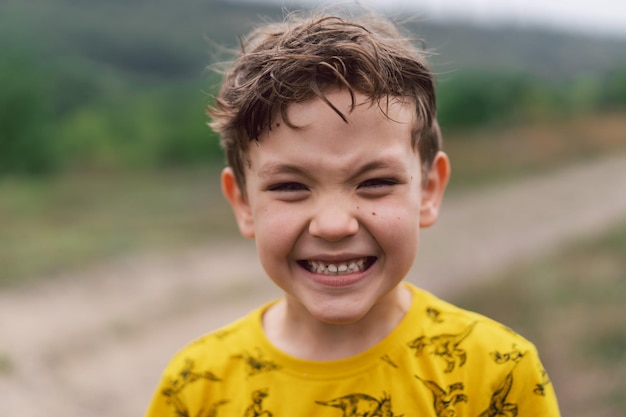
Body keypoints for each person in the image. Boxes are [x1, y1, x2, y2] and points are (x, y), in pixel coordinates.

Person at [145, 8, 560, 417]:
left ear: (429, 190)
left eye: (375, 182)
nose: (333, 224)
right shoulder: (196, 387)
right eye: (290, 186)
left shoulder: (497, 374)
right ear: (243, 203)